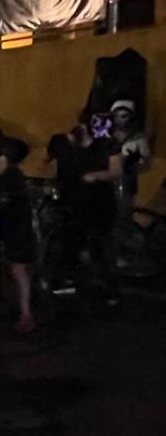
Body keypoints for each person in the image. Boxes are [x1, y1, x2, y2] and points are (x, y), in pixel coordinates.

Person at [48, 112, 123, 301]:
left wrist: (97, 175)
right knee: (70, 242)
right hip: (73, 200)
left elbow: (115, 171)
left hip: (100, 202)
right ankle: (66, 281)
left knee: (102, 245)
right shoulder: (64, 143)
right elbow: (52, 166)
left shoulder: (107, 144)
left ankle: (108, 288)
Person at [0, 136, 37, 333]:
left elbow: (2, 201)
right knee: (14, 269)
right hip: (10, 228)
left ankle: (25, 314)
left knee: (18, 269)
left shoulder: (11, 176)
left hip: (15, 229)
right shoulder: (1, 173)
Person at [110, 99, 152, 202]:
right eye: (116, 116)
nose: (119, 120)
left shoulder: (139, 140)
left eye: (124, 116)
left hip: (127, 185)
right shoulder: (106, 136)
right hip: (107, 186)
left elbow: (143, 165)